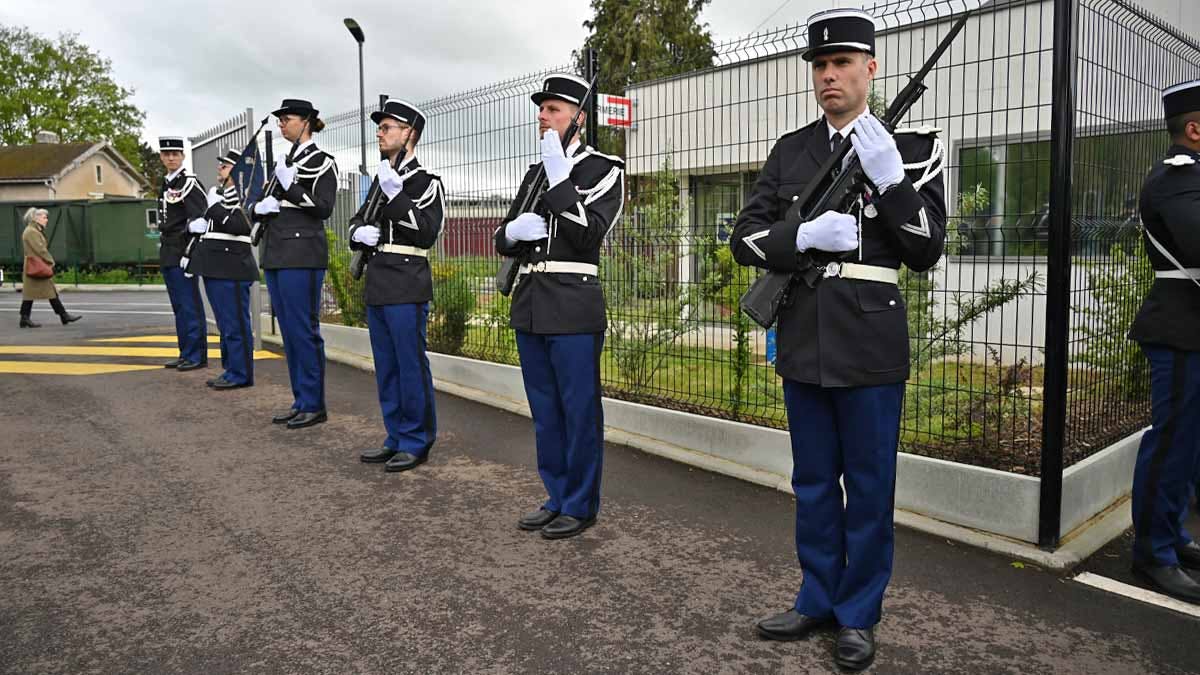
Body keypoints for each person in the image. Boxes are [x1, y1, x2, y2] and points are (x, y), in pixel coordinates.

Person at [729, 9, 946, 671]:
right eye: (821, 66)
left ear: (870, 69)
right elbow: (744, 238)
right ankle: (817, 595)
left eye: (843, 63)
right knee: (815, 480)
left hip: (871, 339)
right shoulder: (791, 150)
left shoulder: (912, 148)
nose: (829, 75)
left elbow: (927, 249)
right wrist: (801, 238)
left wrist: (892, 181)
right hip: (804, 334)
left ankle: (858, 613)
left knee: (871, 484)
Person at [494, 73, 624, 540]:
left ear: (579, 118)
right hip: (530, 303)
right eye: (541, 109)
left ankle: (580, 503)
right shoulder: (533, 172)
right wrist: (512, 233)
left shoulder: (605, 168)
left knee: (578, 409)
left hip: (572, 303)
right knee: (545, 409)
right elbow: (501, 235)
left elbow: (589, 231)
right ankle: (556, 494)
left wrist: (559, 177)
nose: (543, 117)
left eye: (554, 110)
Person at [1126, 77, 1200, 604]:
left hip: (1191, 328)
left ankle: (1173, 534)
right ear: (1194, 128)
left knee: (1189, 446)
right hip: (1178, 328)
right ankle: (1153, 552)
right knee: (1171, 442)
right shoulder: (1178, 178)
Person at [350, 100, 445, 472]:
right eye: (380, 127)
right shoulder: (380, 179)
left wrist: (396, 196)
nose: (380, 132)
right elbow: (358, 220)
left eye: (388, 127)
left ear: (409, 134)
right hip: (379, 279)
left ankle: (417, 439)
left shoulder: (427, 182)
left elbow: (425, 232)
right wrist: (359, 232)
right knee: (386, 367)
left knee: (409, 366)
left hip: (407, 281)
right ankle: (395, 435)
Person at [253, 99, 337, 429]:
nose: (281, 125)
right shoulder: (286, 161)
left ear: (306, 122)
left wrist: (290, 187)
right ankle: (301, 399)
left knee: (303, 330)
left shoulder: (322, 161)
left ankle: (314, 403)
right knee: (289, 330)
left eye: (286, 119)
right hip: (278, 253)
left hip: (302, 254)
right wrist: (263, 206)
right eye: (280, 120)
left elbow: (323, 207)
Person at [193, 149, 258, 390]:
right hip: (215, 266)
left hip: (233, 268)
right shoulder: (220, 194)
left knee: (235, 324)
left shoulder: (247, 195)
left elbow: (241, 225)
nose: (220, 168)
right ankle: (231, 369)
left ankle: (240, 373)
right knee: (225, 324)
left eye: (227, 165)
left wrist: (213, 209)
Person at [158, 135, 209, 371]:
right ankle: (184, 352)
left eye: (175, 154)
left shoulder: (189, 182)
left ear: (182, 156)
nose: (170, 158)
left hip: (183, 249)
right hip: (168, 249)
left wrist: (192, 251)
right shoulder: (167, 183)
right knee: (178, 305)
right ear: (161, 157)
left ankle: (196, 354)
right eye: (166, 154)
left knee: (190, 304)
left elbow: (201, 217)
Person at [18, 207, 81, 328]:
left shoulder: (33, 230)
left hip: (34, 266)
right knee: (42, 293)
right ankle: (63, 315)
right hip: (36, 266)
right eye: (44, 217)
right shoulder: (31, 231)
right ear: (36, 218)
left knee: (34, 294)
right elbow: (40, 250)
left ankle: (26, 318)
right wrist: (50, 261)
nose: (46, 220)